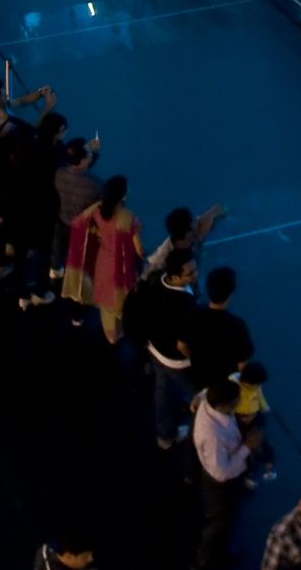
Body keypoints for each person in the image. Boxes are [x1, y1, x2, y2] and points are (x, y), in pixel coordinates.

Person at [60, 175, 141, 344]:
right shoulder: (129, 217)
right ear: (123, 195)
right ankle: (117, 334)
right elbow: (139, 250)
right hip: (122, 265)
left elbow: (77, 223)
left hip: (103, 261)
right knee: (122, 297)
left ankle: (110, 333)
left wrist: (99, 235)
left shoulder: (97, 211)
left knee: (106, 299)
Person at [132, 251, 199, 448]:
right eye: (190, 273)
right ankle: (197, 439)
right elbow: (183, 345)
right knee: (200, 395)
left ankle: (165, 434)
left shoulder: (157, 280)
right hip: (177, 361)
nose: (195, 275)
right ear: (176, 276)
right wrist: (198, 363)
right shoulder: (185, 304)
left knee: (162, 390)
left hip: (155, 349)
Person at [192, 378, 259, 570]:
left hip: (223, 471)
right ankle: (203, 559)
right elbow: (221, 472)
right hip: (219, 484)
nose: (239, 403)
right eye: (235, 401)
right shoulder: (212, 436)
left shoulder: (209, 400)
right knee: (219, 520)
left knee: (223, 518)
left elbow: (203, 392)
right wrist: (247, 447)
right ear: (222, 406)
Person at [188, 266, 255, 392]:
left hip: (200, 378)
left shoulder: (194, 313)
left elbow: (182, 345)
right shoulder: (237, 326)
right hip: (225, 385)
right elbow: (242, 365)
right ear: (231, 292)